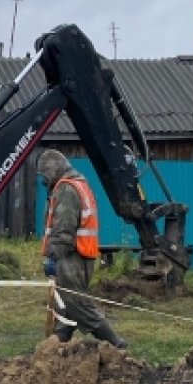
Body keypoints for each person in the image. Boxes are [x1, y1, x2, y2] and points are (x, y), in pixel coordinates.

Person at [39, 149, 127, 348]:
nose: (43, 180)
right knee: (64, 305)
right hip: (80, 255)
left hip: (72, 257)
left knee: (76, 304)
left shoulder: (66, 189)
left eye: (43, 174)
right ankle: (57, 345)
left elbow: (63, 228)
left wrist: (53, 257)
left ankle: (114, 342)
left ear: (54, 169)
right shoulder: (78, 184)